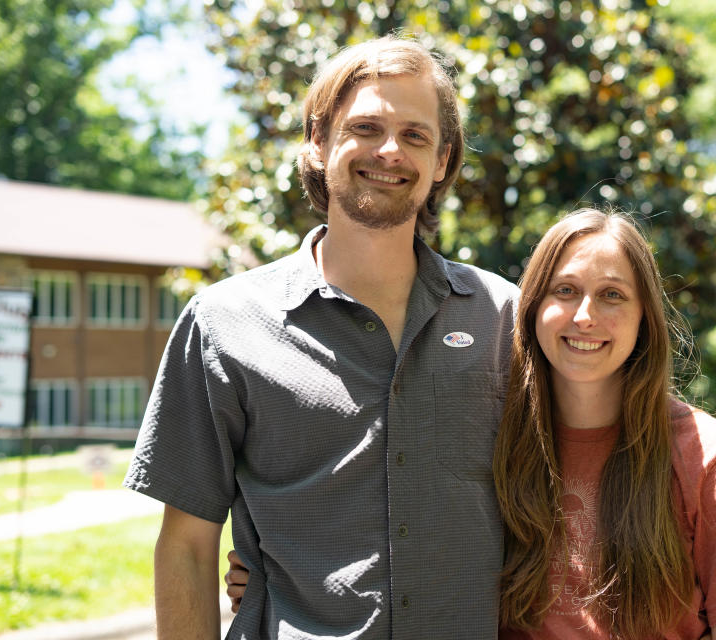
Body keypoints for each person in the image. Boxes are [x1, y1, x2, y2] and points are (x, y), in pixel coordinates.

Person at [228, 208, 716, 639]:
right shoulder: (489, 434)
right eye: (565, 290)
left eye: (612, 296)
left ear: (645, 320)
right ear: (530, 309)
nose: (585, 316)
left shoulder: (711, 458)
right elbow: (393, 518)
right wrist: (280, 570)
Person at [124, 36, 518, 639]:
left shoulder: (504, 320)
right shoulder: (224, 323)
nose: (390, 151)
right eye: (365, 127)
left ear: (441, 162)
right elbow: (185, 545)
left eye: (415, 135)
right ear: (319, 141)